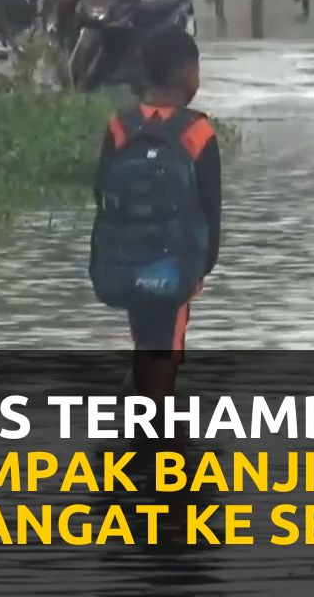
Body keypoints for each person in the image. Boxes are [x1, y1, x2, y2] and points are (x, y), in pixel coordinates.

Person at [90, 26, 221, 398]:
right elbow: (211, 205)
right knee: (166, 347)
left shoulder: (120, 126)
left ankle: (140, 408)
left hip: (125, 256)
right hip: (175, 262)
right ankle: (158, 427)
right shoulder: (198, 132)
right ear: (185, 75)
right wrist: (203, 265)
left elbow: (102, 194)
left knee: (145, 336)